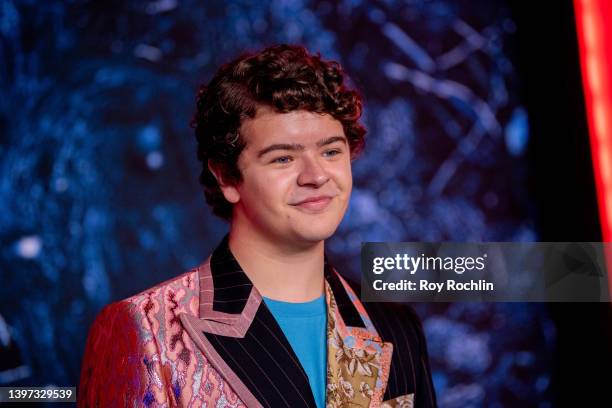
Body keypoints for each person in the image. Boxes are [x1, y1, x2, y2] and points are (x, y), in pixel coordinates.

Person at [78, 44, 437, 408]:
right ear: (227, 178)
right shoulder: (146, 328)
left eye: (330, 151)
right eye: (283, 158)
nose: (316, 176)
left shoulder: (396, 328)